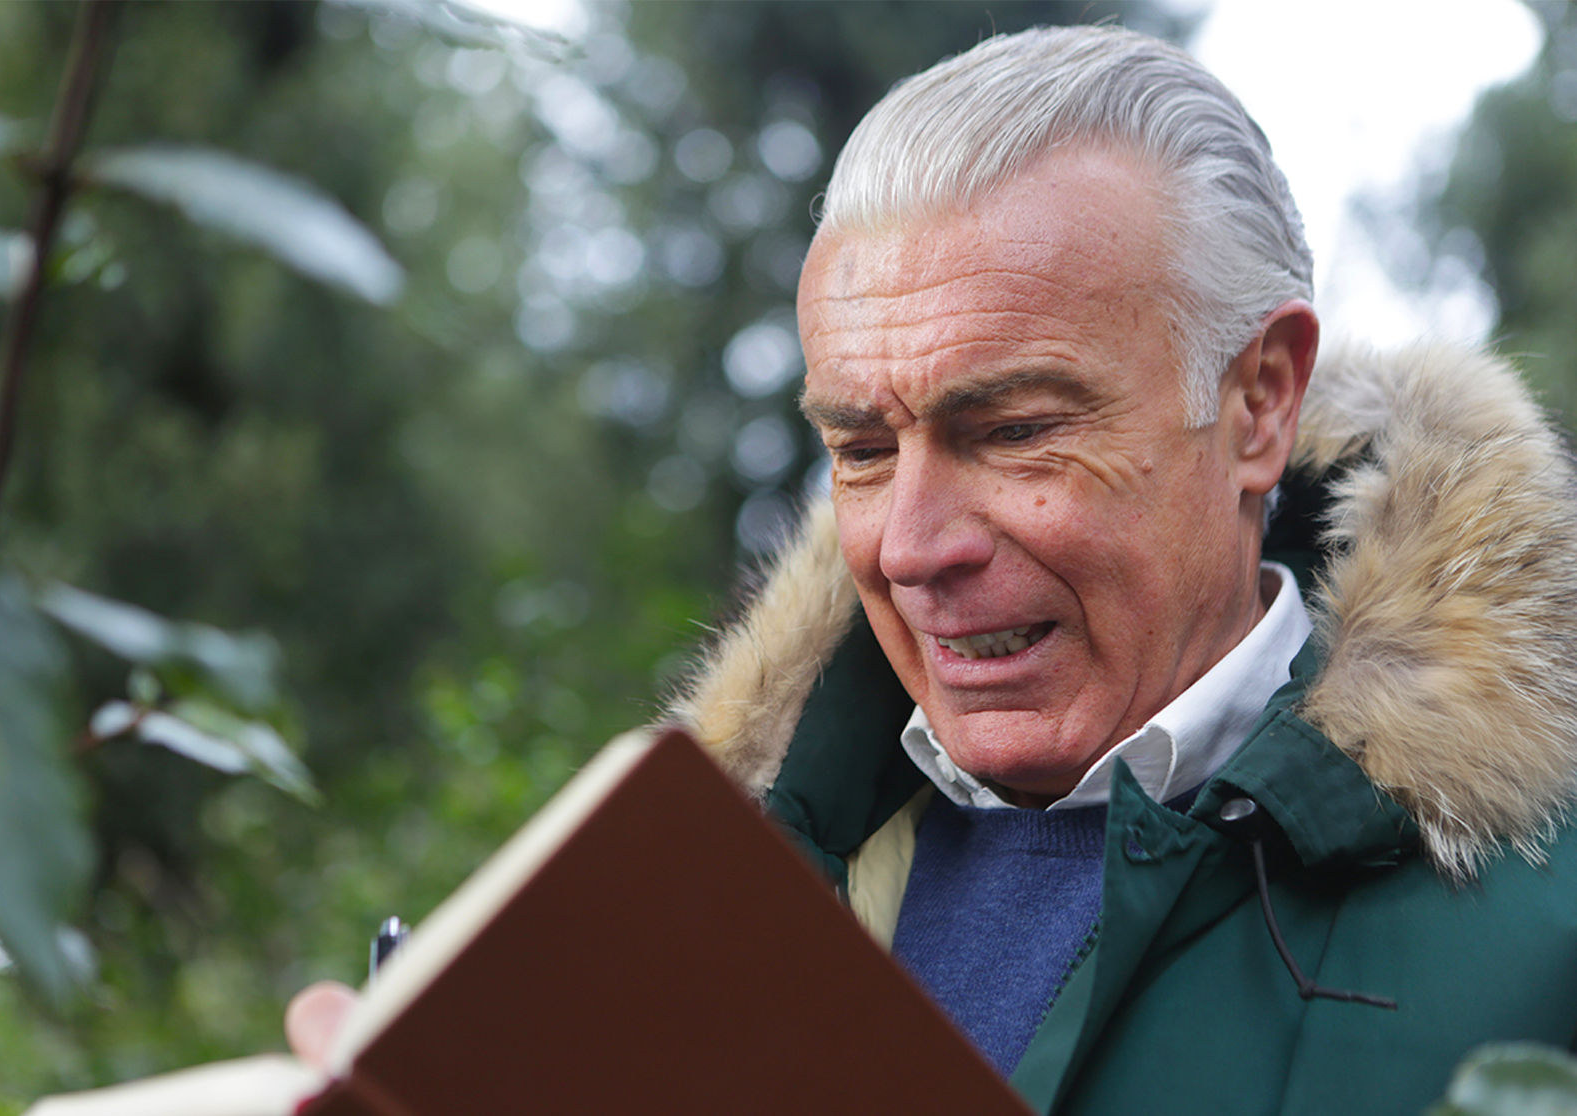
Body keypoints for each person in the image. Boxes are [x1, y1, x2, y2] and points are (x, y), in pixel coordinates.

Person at [658, 23, 1577, 1116]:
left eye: (1011, 430)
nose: (910, 547)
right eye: (861, 451)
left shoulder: (1545, 915)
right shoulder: (681, 906)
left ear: (1258, 404)